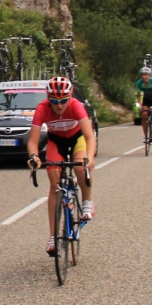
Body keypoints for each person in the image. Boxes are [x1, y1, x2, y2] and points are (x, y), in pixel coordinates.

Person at [25, 77, 96, 254]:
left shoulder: (76, 106)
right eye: (54, 101)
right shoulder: (42, 108)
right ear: (48, 98)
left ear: (70, 96)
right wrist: (34, 156)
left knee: (80, 167)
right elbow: (32, 141)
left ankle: (87, 201)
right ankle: (53, 237)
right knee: (54, 184)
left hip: (77, 138)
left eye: (63, 101)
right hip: (56, 141)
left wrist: (89, 157)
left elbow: (89, 136)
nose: (59, 105)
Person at [135, 66, 152, 146]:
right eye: (142, 75)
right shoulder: (139, 83)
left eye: (146, 75)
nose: (144, 76)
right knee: (144, 115)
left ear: (149, 75)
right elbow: (138, 95)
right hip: (146, 99)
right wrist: (140, 105)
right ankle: (145, 135)